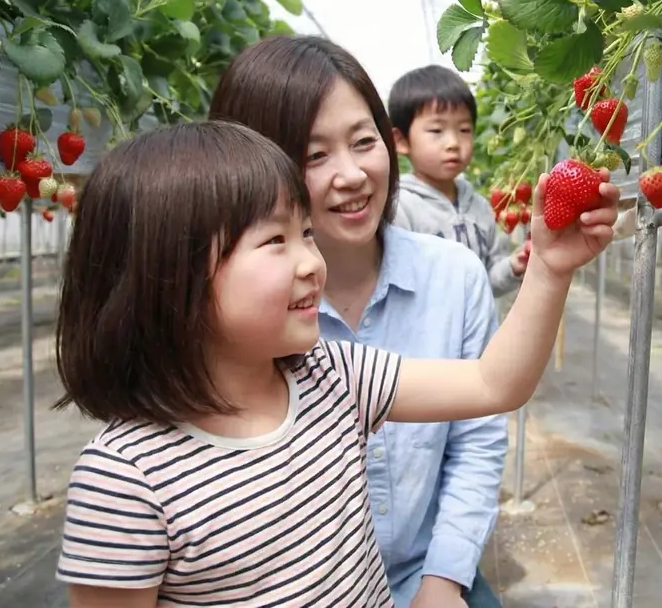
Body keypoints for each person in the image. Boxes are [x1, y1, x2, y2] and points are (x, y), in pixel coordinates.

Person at [52, 120, 618, 607]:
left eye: (305, 233)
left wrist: (548, 268)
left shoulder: (331, 376)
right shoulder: (126, 481)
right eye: (275, 240)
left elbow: (494, 383)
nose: (311, 262)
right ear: (168, 276)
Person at [207, 37, 506, 607]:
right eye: (313, 155)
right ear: (250, 169)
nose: (352, 175)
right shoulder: (237, 316)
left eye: (363, 142)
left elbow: (478, 437)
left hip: (427, 570)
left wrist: (443, 582)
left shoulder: (456, 277)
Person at [388, 64, 526, 297]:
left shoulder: (480, 207)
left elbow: (488, 281)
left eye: (464, 129)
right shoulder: (400, 208)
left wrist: (513, 266)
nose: (453, 142)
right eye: (436, 130)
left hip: (480, 332)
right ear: (401, 141)